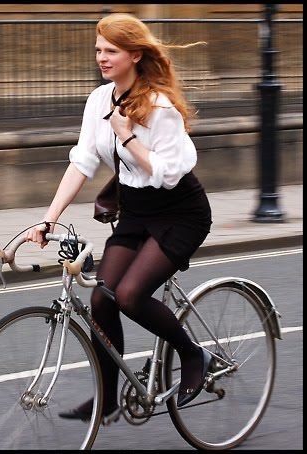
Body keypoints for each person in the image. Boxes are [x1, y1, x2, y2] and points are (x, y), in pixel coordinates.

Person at [25, 13, 213, 420]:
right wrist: (49, 218)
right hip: (136, 213)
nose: (102, 58)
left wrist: (127, 133)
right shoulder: (98, 101)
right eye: (98, 50)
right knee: (102, 298)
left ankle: (194, 355)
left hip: (180, 213)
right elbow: (82, 162)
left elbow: (165, 176)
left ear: (134, 55)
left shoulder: (160, 108)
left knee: (129, 296)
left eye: (111, 51)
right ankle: (107, 400)